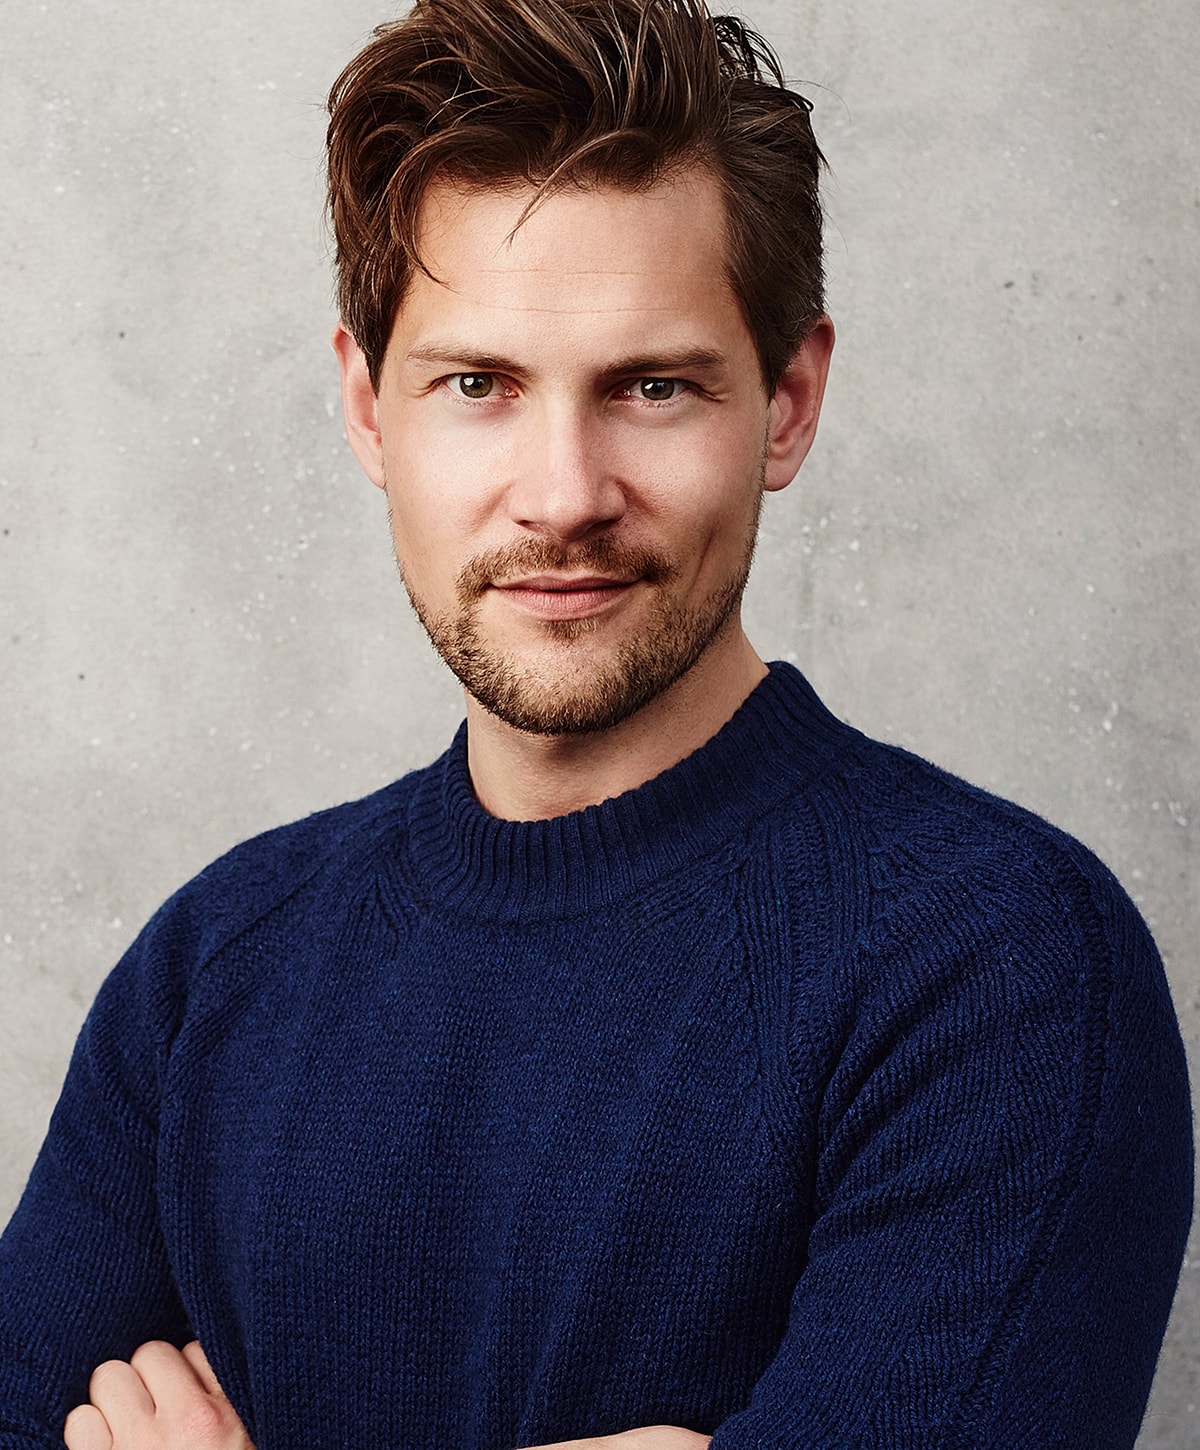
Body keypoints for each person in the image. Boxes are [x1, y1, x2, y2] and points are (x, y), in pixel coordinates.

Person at [0, 0, 1191, 1446]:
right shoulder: (210, 974)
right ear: (371, 411)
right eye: (479, 385)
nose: (563, 492)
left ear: (788, 402)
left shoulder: (1000, 964)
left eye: (651, 385)